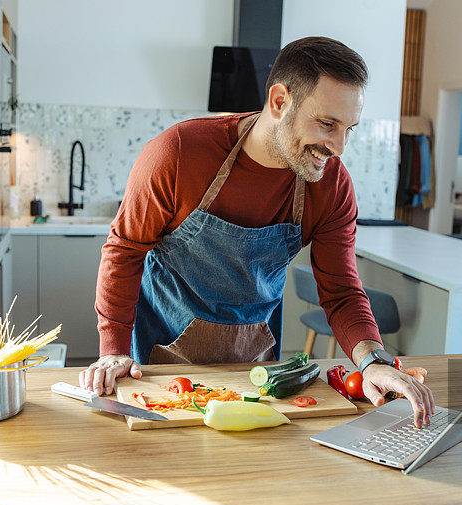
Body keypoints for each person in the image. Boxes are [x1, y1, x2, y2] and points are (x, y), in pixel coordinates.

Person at [80, 36, 435, 427]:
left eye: (349, 128)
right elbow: (124, 251)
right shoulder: (179, 154)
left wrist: (373, 362)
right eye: (327, 124)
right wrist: (112, 348)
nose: (338, 146)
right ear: (280, 101)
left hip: (256, 366)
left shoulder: (331, 185)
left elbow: (341, 291)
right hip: (159, 362)